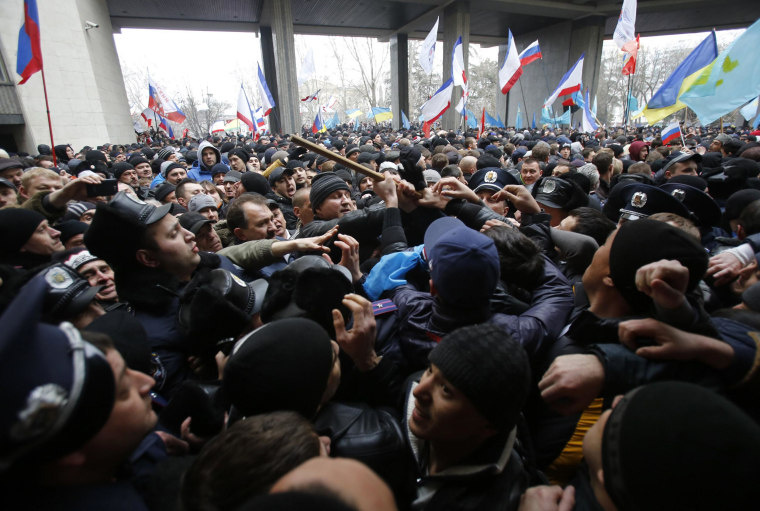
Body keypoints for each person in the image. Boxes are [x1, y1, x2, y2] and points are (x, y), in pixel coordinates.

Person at [404, 323, 533, 510]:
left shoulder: (496, 502)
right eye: (429, 370)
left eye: (446, 390)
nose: (418, 390)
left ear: (488, 427)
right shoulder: (413, 394)